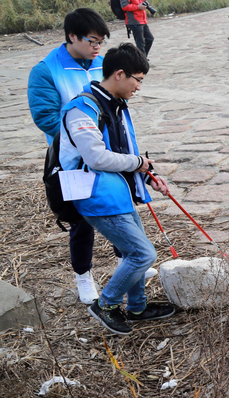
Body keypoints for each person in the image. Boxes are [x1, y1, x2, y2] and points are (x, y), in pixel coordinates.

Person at [28, 8, 155, 305]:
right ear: (72, 36)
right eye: (92, 40)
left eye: (101, 41)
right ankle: (83, 275)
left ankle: (131, 273)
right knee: (83, 223)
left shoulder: (103, 65)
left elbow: (115, 104)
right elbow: (46, 116)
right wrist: (83, 138)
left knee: (124, 218)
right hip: (76, 161)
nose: (97, 47)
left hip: (109, 156)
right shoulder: (47, 70)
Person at [59, 43, 175, 335]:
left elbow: (122, 151)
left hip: (118, 193)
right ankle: (106, 303)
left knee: (131, 251)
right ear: (120, 74)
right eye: (138, 80)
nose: (138, 87)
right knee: (142, 254)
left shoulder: (115, 105)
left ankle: (137, 307)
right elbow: (96, 157)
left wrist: (148, 175)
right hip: (97, 196)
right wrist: (139, 163)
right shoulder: (81, 108)